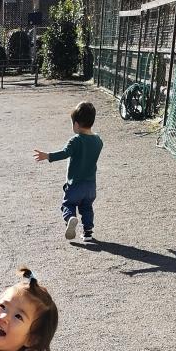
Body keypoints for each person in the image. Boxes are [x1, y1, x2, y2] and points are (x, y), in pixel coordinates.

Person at [33, 101, 104, 244]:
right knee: (87, 207)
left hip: (74, 184)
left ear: (76, 124)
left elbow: (65, 153)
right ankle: (88, 232)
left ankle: (70, 218)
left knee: (68, 205)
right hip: (90, 185)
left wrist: (48, 155)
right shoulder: (98, 140)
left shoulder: (75, 140)